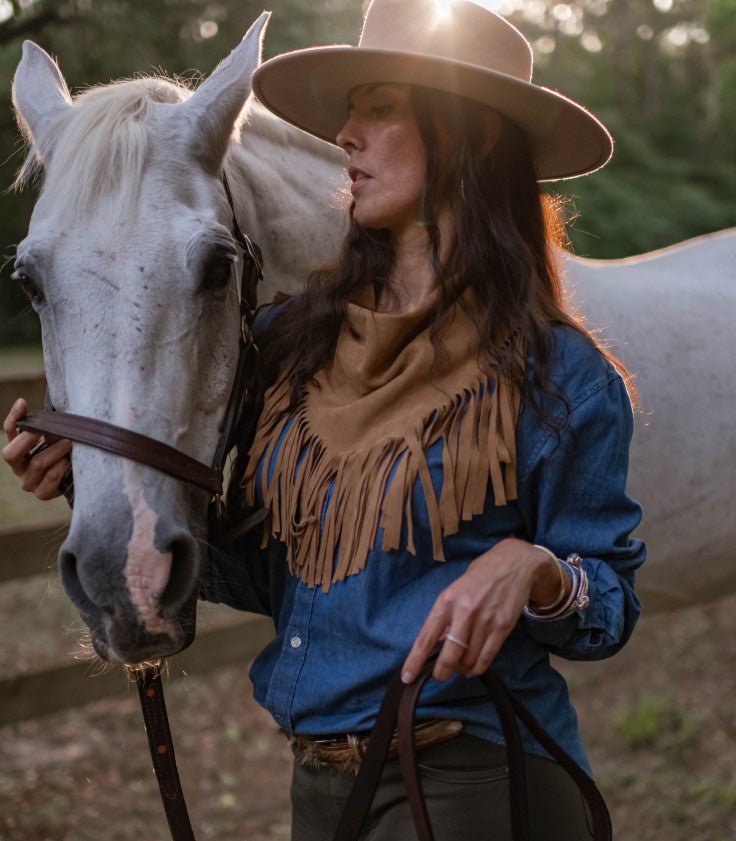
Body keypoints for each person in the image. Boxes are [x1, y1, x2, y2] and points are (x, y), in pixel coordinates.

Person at [4, 1, 645, 838]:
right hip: (322, 788)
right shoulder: (293, 343)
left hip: (479, 782)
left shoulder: (562, 375)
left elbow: (610, 607)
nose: (345, 135)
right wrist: (119, 511)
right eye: (350, 112)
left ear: (476, 135)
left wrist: (538, 570)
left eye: (380, 108)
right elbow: (285, 575)